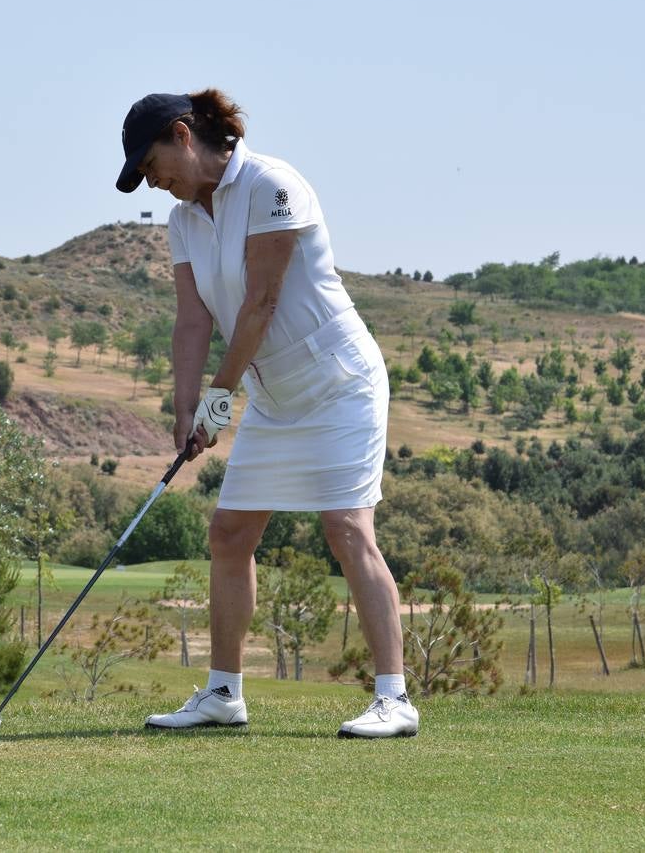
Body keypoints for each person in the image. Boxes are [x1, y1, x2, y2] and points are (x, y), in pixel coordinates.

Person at [114, 89, 418, 739]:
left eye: (152, 163)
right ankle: (223, 693)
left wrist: (219, 401)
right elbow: (193, 320)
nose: (153, 180)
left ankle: (394, 700)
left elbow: (262, 303)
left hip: (340, 382)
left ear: (182, 134)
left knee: (346, 528)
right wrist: (186, 402)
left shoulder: (272, 185)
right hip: (276, 395)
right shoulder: (184, 222)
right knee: (229, 534)